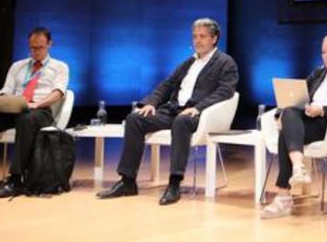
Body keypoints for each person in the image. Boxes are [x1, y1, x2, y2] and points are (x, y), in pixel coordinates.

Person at [97, 18, 238, 206]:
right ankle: (127, 181)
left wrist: (198, 107)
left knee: (181, 121)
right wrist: (150, 103)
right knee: (135, 119)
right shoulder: (189, 63)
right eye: (195, 36)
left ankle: (174, 184)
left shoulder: (225, 63)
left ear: (214, 38)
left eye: (202, 36)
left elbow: (226, 91)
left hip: (199, 114)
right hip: (172, 109)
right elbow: (167, 85)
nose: (197, 41)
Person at [260, 32, 327, 219]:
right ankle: (297, 169)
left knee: (286, 132)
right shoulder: (318, 72)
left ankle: (284, 195)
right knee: (289, 115)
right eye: (323, 52)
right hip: (306, 120)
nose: (325, 56)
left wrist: (323, 110)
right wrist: (279, 114)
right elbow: (297, 96)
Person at [0, 26, 70, 198]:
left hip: (41, 110)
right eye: (32, 48)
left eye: (40, 47)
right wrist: (2, 100)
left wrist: (38, 104)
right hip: (16, 108)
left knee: (26, 119)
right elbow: (7, 90)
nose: (36, 51)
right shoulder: (18, 66)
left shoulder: (60, 67)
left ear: (49, 44)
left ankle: (15, 178)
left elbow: (58, 93)